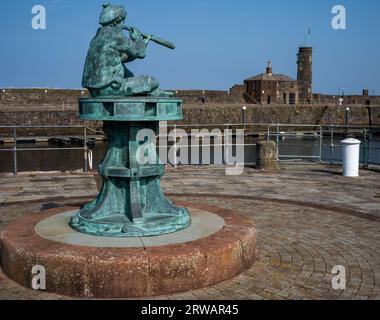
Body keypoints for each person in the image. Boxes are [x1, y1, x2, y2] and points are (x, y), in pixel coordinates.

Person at [82, 3, 173, 97]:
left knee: (129, 74)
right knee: (152, 81)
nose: (123, 24)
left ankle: (153, 92)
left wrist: (143, 43)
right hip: (110, 87)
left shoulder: (97, 37)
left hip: (95, 90)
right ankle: (152, 90)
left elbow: (121, 58)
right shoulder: (116, 36)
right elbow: (140, 53)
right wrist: (137, 39)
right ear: (116, 21)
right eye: (122, 20)